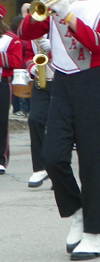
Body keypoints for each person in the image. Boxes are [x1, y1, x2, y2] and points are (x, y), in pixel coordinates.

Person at [17, 0, 100, 261]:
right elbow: (25, 31)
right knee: (52, 157)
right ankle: (77, 211)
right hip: (62, 82)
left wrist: (70, 18)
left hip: (93, 82)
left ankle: (92, 233)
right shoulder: (58, 1)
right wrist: (43, 8)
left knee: (92, 161)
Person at [25, 29, 54, 188]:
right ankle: (40, 168)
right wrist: (32, 67)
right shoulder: (34, 33)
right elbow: (28, 54)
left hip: (61, 80)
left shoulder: (61, 27)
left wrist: (54, 47)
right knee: (35, 119)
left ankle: (57, 170)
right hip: (41, 81)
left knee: (58, 126)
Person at [0, 4, 23, 174]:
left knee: (1, 122)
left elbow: (15, 61)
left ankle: (1, 159)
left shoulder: (10, 38)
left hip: (2, 83)